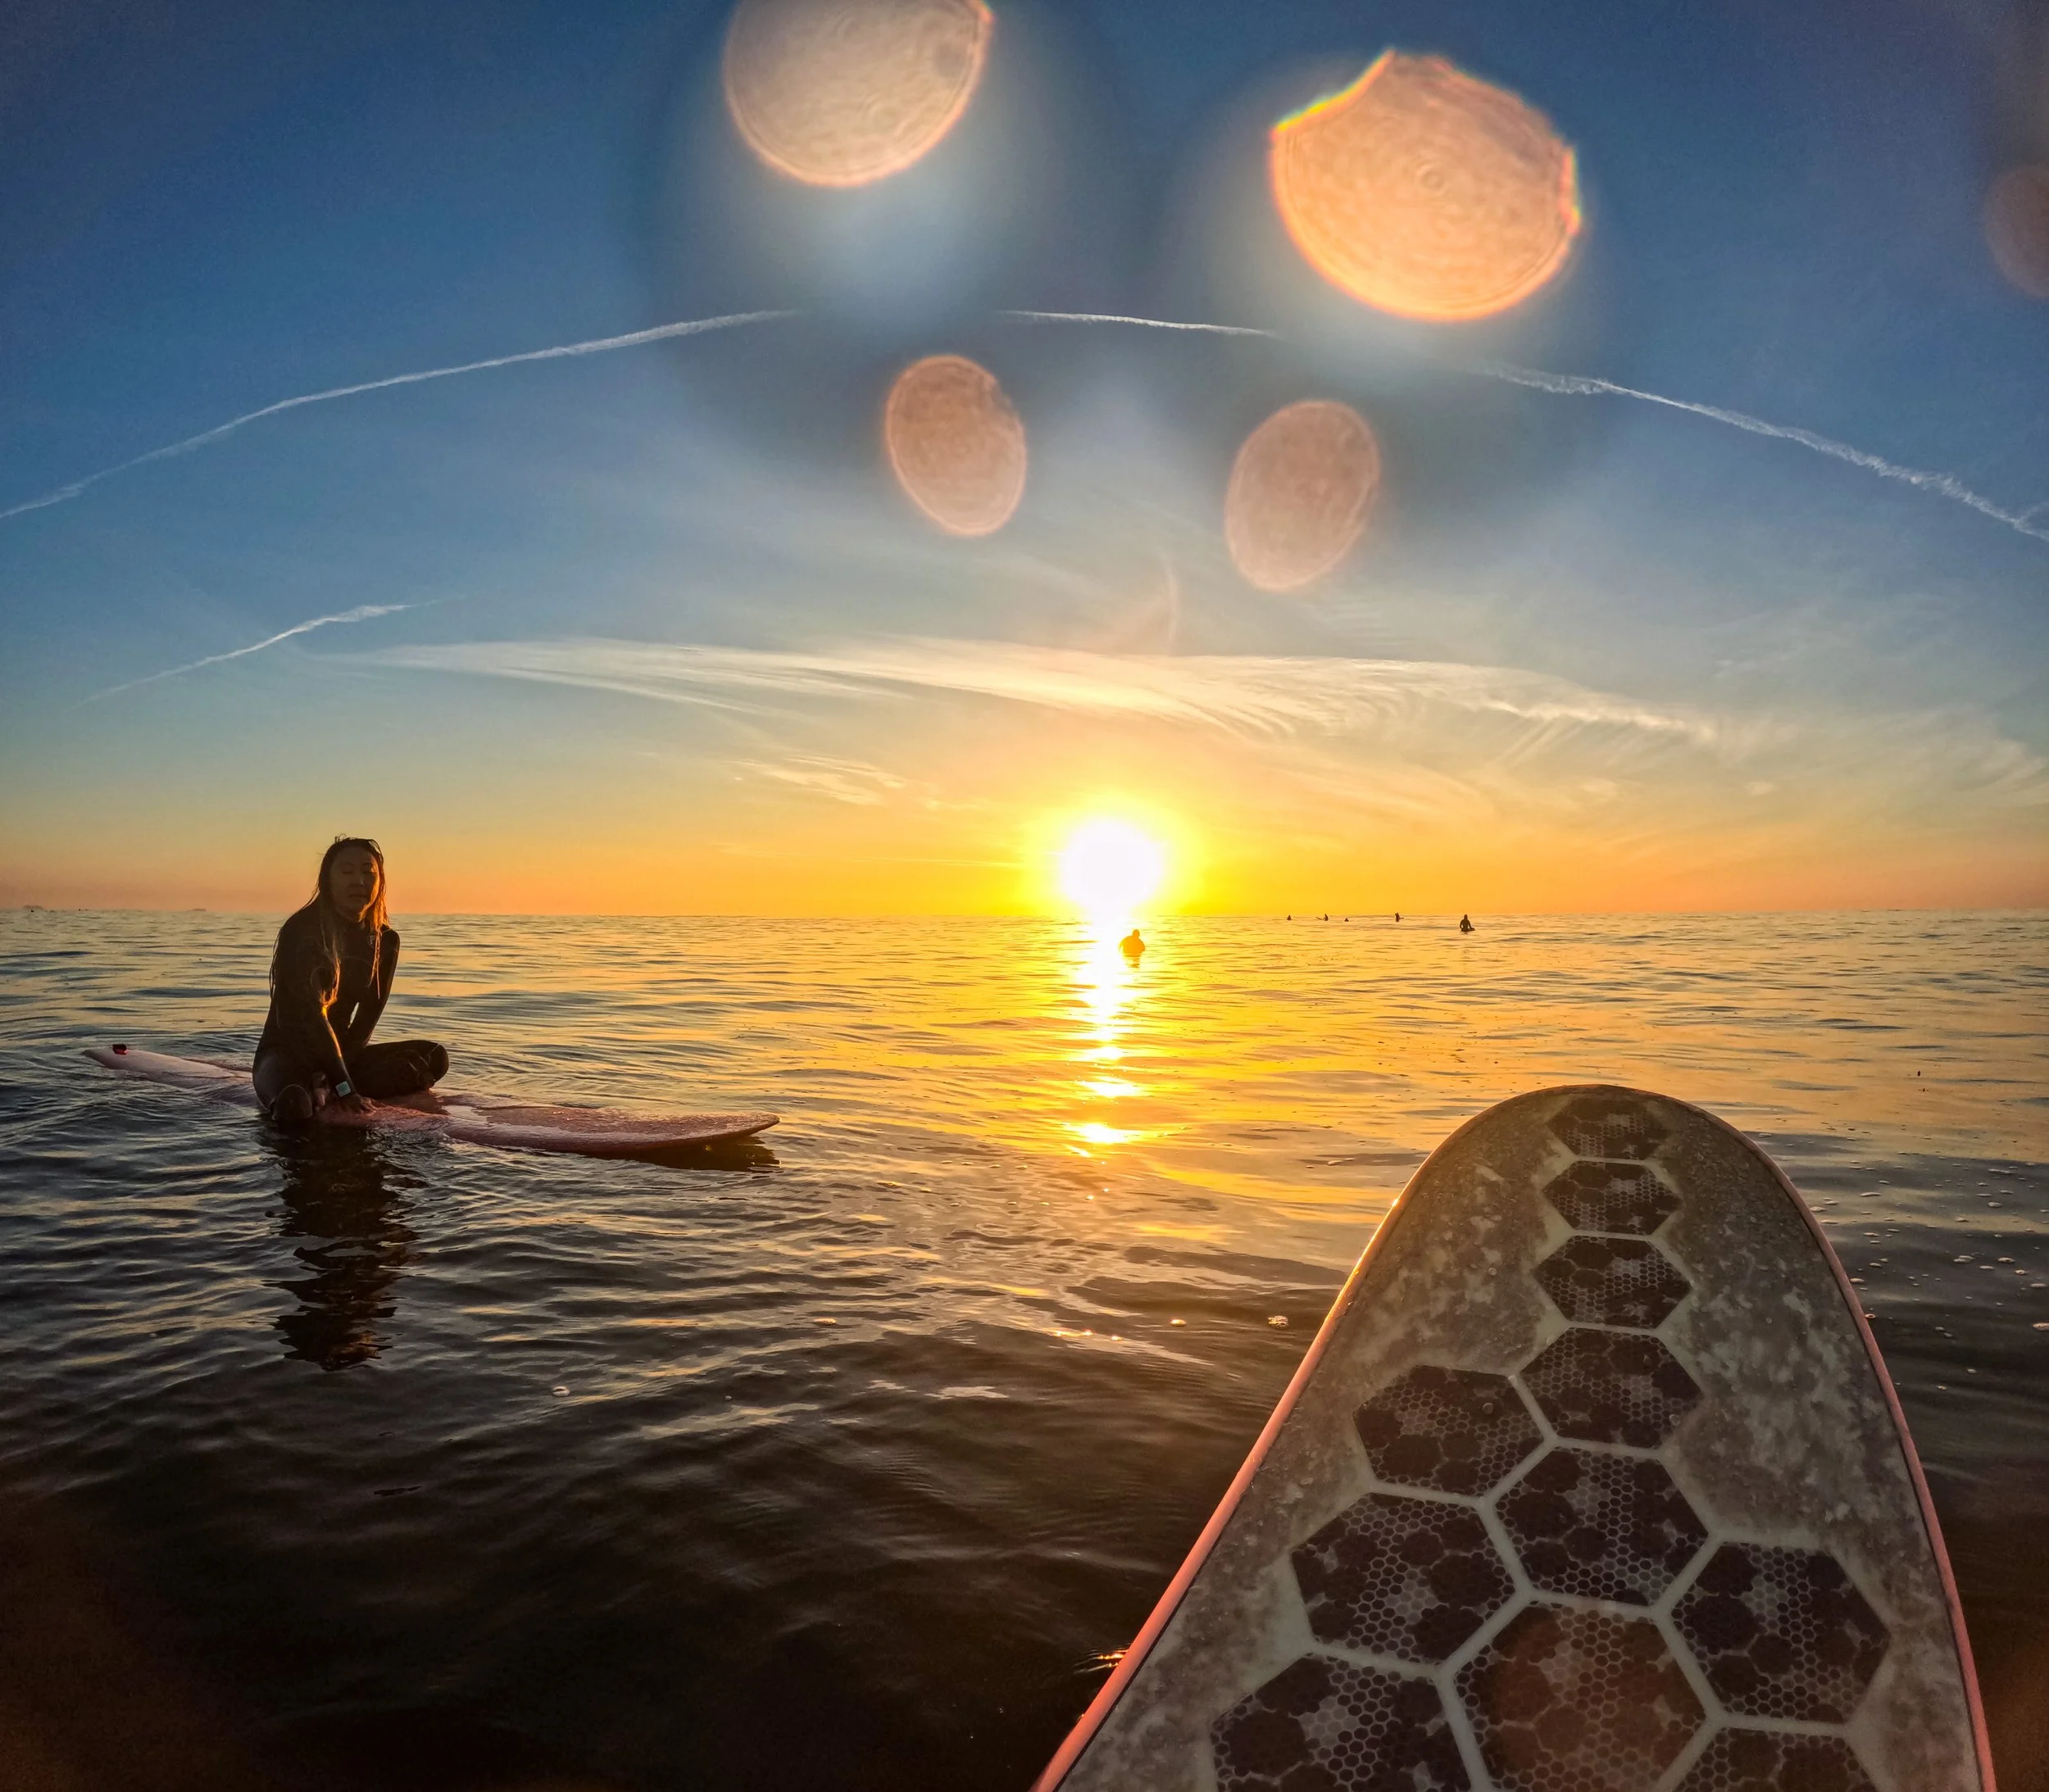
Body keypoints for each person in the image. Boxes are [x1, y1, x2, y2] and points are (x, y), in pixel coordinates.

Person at [253, 837, 448, 1127]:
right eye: (346, 872)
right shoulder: (303, 932)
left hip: (342, 1053)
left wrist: (337, 1073)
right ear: (327, 880)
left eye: (368, 872)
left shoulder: (385, 941)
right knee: (294, 1106)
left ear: (380, 881)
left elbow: (366, 1020)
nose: (358, 881)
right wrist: (345, 1088)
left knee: (434, 1058)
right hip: (286, 1056)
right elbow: (311, 1018)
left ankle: (327, 1085)